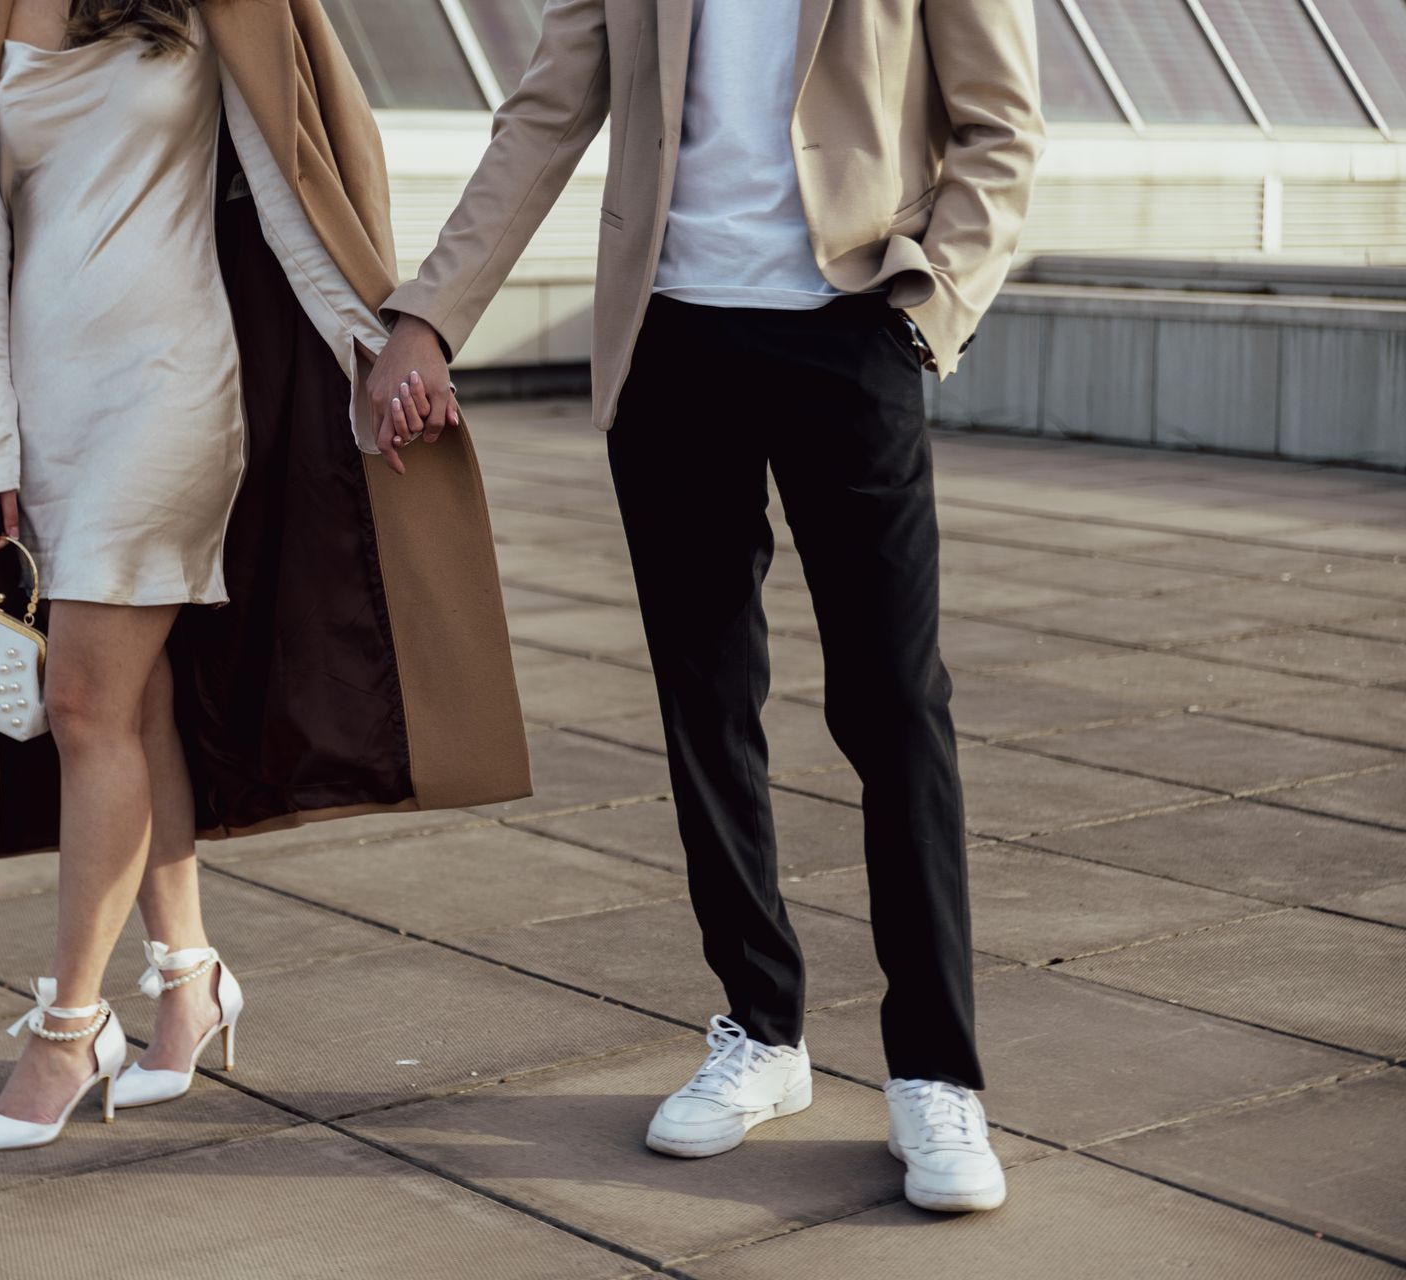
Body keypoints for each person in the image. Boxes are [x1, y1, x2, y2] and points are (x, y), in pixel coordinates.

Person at [368, 0, 1043, 1212]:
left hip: (853, 331)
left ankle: (936, 1071)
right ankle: (762, 1029)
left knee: (895, 707)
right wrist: (430, 314)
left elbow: (1001, 126)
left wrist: (929, 310)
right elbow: (546, 113)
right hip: (672, 343)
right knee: (706, 702)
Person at [0, 0, 530, 1153]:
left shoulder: (213, 5)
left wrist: (379, 346)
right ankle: (190, 981)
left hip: (170, 392)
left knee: (82, 704)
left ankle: (66, 1029)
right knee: (135, 702)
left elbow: (295, 188)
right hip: (44, 401)